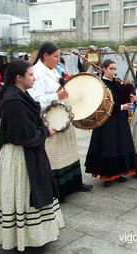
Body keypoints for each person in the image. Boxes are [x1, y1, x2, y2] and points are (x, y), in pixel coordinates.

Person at [0, 59, 63, 254]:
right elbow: (23, 137)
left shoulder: (19, 94)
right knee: (25, 194)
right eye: (30, 74)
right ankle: (26, 239)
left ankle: (33, 235)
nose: (34, 78)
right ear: (19, 78)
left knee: (29, 194)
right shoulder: (14, 101)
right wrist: (46, 132)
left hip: (26, 153)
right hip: (20, 156)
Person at [27, 42, 92, 202]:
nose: (58, 59)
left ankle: (74, 184)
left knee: (69, 152)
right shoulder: (36, 72)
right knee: (55, 156)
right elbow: (35, 100)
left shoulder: (54, 70)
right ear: (45, 55)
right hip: (50, 120)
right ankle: (58, 189)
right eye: (55, 56)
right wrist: (56, 96)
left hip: (63, 117)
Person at [85, 60, 137, 187]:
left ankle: (118, 172)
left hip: (119, 119)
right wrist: (122, 107)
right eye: (111, 69)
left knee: (120, 145)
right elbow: (102, 104)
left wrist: (132, 99)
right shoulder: (100, 84)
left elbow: (123, 96)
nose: (113, 71)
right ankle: (107, 175)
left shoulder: (116, 82)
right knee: (108, 146)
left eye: (115, 69)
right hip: (106, 120)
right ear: (103, 69)